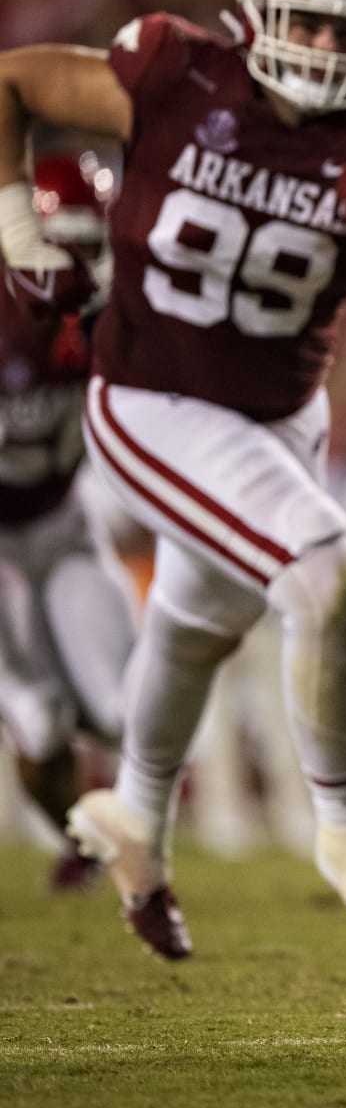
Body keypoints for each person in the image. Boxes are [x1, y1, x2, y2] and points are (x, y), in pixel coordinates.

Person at [0, 0, 346, 959]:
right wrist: (18, 230)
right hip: (149, 396)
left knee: (197, 617)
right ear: (259, 17)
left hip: (282, 418)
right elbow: (11, 82)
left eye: (341, 29)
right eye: (305, 23)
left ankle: (135, 815)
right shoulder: (175, 77)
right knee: (324, 572)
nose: (320, 47)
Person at [0, 154, 135, 891]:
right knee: (41, 718)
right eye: (69, 243)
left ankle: (134, 846)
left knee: (121, 708)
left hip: (63, 519)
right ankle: (83, 841)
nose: (83, 262)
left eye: (95, 241)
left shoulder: (111, 321)